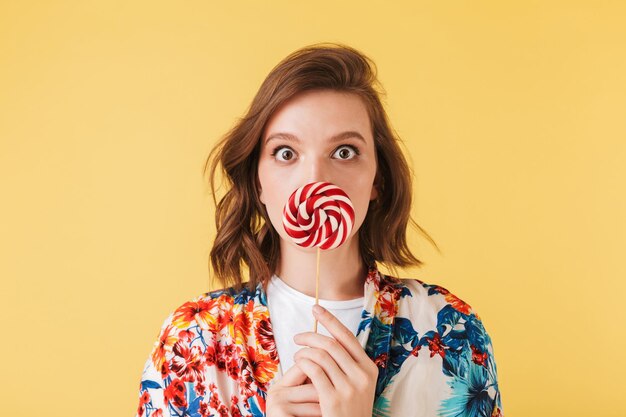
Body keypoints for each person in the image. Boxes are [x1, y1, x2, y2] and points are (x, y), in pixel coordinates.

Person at [135, 43, 504, 417]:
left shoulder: (450, 330)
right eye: (286, 152)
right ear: (258, 179)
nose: (314, 179)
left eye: (344, 152)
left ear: (377, 179)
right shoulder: (194, 339)